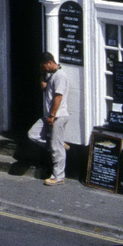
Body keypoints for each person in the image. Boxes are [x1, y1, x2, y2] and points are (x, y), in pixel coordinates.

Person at [42, 53, 69, 185]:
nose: (44, 69)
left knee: (55, 148)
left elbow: (58, 97)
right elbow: (44, 88)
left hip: (58, 116)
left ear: (49, 62)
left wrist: (52, 115)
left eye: (44, 67)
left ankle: (58, 176)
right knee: (33, 134)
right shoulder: (52, 76)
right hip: (50, 116)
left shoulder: (60, 76)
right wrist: (42, 76)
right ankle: (60, 143)